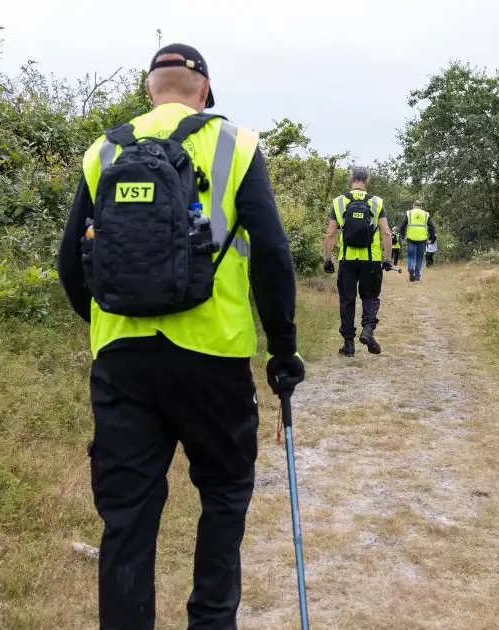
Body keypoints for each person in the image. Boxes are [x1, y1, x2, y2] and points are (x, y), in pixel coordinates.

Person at [57, 43, 303, 630]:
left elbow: (71, 263)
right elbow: (271, 254)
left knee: (128, 518)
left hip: (122, 362)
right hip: (212, 358)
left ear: (149, 89)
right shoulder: (235, 145)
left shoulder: (104, 150)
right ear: (206, 90)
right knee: (222, 494)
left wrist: (105, 331)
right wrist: (283, 348)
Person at [323, 166, 393, 357]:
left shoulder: (338, 202)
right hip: (371, 260)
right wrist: (388, 260)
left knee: (347, 300)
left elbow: (330, 233)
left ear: (350, 178)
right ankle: (368, 330)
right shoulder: (377, 203)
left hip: (347, 260)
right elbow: (386, 232)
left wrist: (328, 259)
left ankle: (348, 344)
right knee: (370, 296)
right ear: (367, 181)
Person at [398, 200, 436, 282]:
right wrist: (432, 239)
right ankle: (417, 277)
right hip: (422, 240)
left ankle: (411, 269)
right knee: (419, 258)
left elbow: (402, 225)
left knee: (410, 256)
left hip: (411, 238)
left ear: (413, 205)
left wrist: (402, 235)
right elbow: (432, 227)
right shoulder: (426, 214)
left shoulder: (409, 213)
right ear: (421, 206)